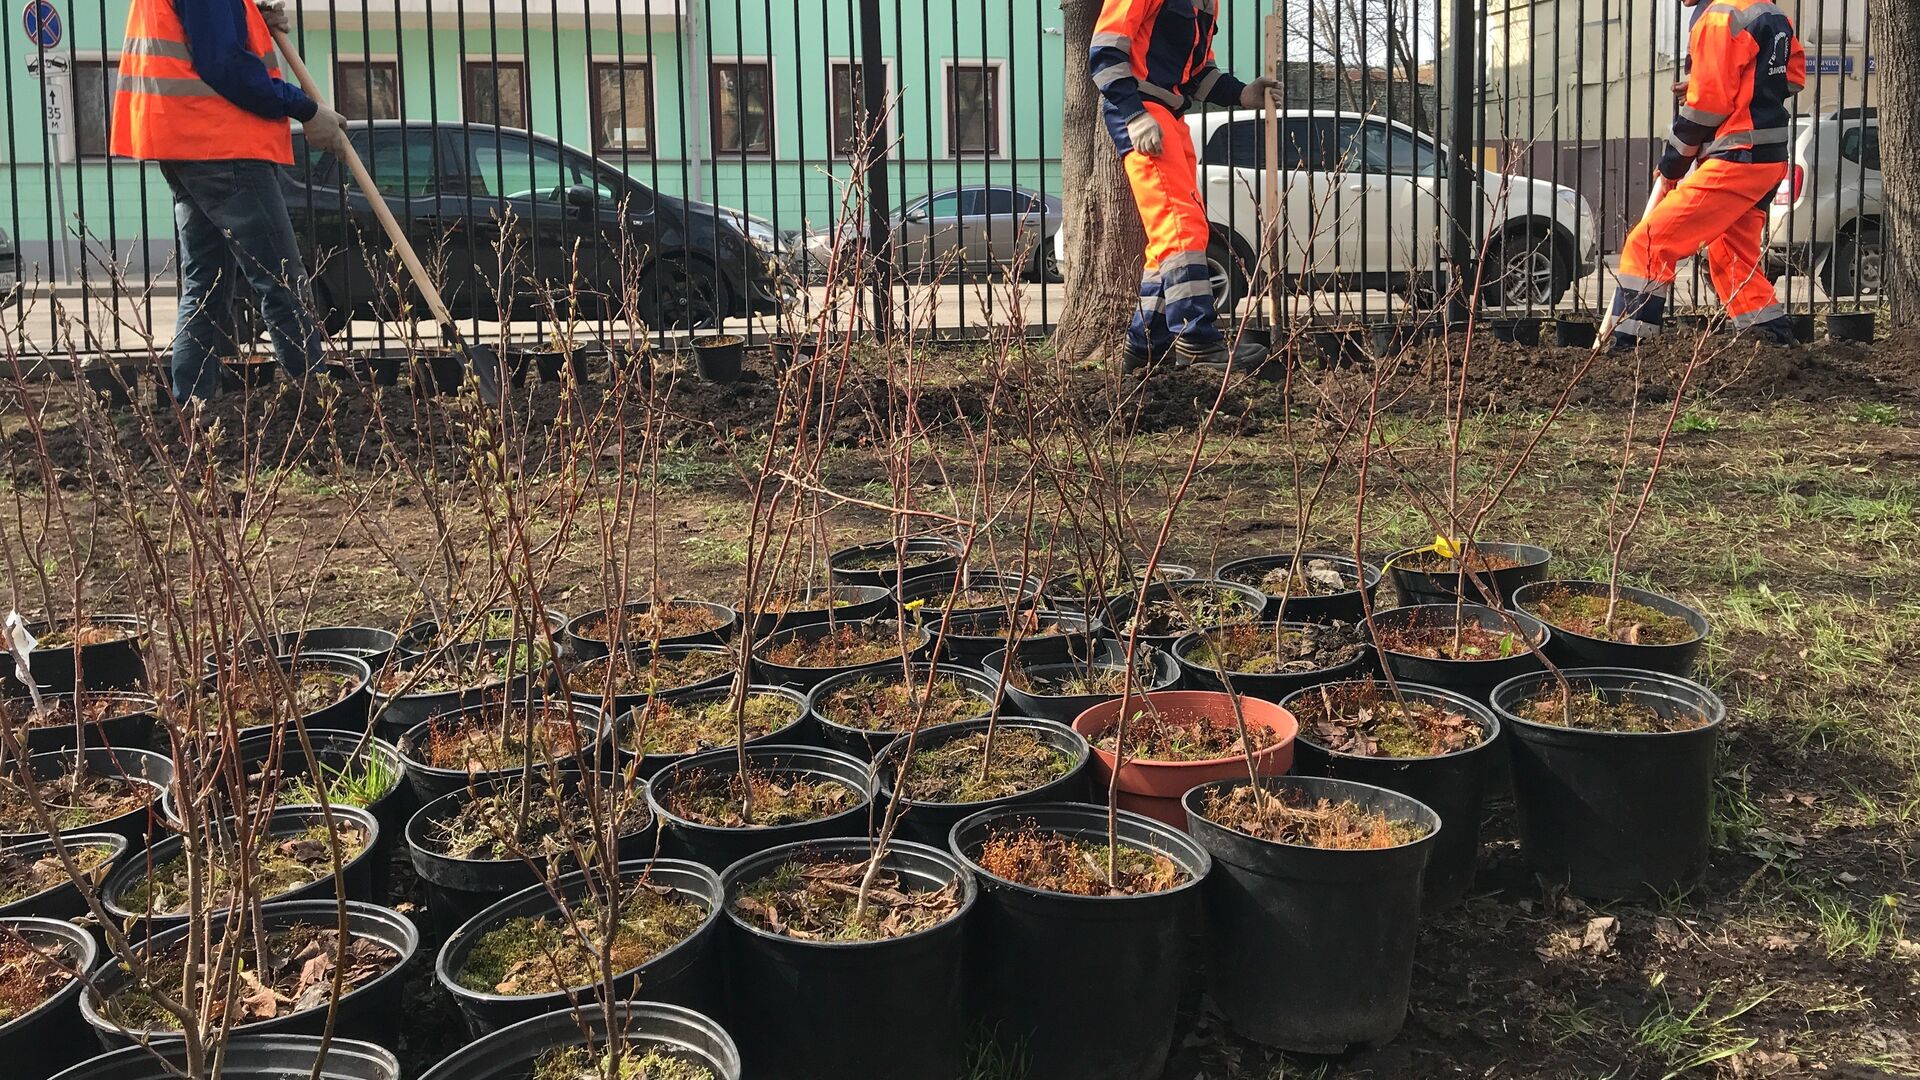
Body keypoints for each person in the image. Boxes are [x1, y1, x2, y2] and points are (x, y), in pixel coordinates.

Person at [110, 0, 348, 410]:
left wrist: (251, 15)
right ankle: (320, 404)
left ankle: (192, 406)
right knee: (282, 278)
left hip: (186, 145)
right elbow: (226, 64)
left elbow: (206, 35)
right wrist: (305, 110)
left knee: (206, 282)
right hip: (224, 146)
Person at [1090, 0, 1276, 371]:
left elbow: (1197, 74)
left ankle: (1143, 349)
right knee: (1180, 228)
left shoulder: (1208, 5)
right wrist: (1134, 114)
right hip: (1144, 113)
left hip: (1170, 118)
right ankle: (1196, 339)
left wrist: (1241, 94)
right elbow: (1105, 52)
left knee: (1170, 239)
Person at [1608, 0, 1804, 352]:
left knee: (1648, 243)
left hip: (1736, 158)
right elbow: (1791, 78)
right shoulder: (1768, 11)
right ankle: (1774, 345)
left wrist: (1673, 164)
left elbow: (1706, 107)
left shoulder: (1718, 16)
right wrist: (1741, 88)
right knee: (1732, 258)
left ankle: (1628, 350)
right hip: (1766, 157)